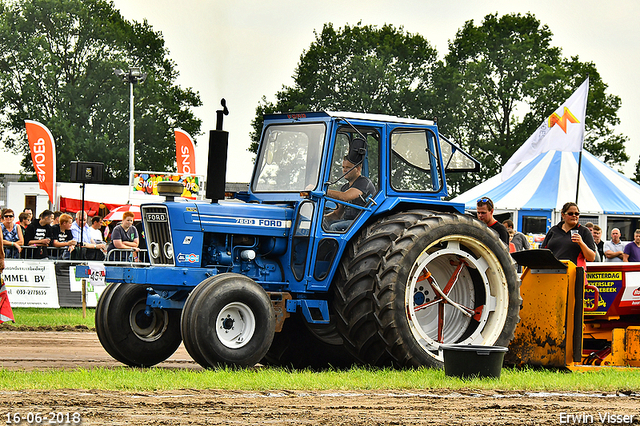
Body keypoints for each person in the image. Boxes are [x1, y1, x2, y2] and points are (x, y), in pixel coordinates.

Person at [324, 155, 376, 232]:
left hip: (362, 220)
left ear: (358, 169)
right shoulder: (344, 188)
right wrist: (323, 218)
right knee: (325, 225)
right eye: (343, 167)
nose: (344, 170)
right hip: (348, 221)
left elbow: (345, 196)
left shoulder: (363, 182)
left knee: (334, 227)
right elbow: (337, 214)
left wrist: (323, 191)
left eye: (348, 167)